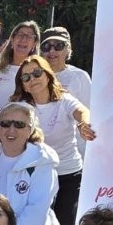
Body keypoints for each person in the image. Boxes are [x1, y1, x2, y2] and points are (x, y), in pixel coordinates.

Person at [11, 56, 95, 225]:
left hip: (69, 174)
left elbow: (82, 111)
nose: (32, 79)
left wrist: (83, 123)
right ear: (23, 85)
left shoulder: (64, 99)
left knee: (67, 224)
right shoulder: (22, 108)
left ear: (48, 75)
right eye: (26, 77)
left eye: (37, 73)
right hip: (37, 176)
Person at [40, 26, 92, 158]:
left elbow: (89, 113)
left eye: (59, 45)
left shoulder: (80, 77)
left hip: (73, 154)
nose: (52, 51)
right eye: (46, 46)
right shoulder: (34, 76)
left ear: (67, 49)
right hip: (41, 153)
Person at [0, 21, 40, 112]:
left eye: (29, 36)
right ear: (12, 40)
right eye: (20, 34)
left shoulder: (40, 73)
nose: (23, 39)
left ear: (34, 44)